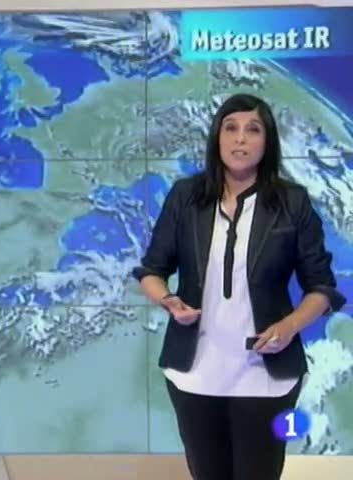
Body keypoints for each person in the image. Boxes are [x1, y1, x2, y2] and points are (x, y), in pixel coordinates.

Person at [133, 93, 346, 480]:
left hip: (266, 375)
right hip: (195, 373)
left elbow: (321, 287)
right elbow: (151, 270)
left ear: (268, 141)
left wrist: (289, 326)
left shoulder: (292, 202)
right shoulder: (186, 196)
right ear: (217, 138)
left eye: (253, 129)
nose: (240, 139)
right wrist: (167, 300)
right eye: (230, 128)